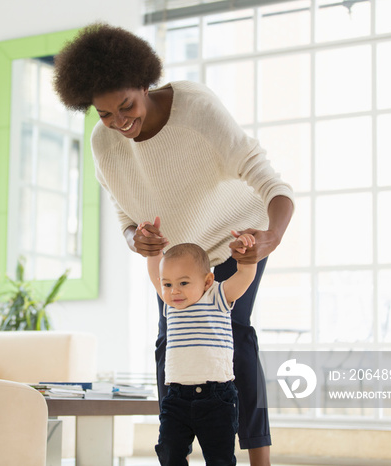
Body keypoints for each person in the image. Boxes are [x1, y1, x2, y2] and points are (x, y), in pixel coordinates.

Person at [53, 22, 294, 466]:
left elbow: (272, 184)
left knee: (233, 339)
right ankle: (175, 451)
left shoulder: (196, 109)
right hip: (177, 260)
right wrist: (136, 238)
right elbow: (125, 217)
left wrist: (270, 238)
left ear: (144, 83)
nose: (119, 122)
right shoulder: (103, 144)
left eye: (126, 106)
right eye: (105, 114)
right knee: (171, 346)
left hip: (236, 244)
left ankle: (258, 457)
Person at [140, 217, 256, 466]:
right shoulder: (171, 303)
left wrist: (247, 254)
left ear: (206, 281)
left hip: (217, 397)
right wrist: (153, 250)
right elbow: (154, 272)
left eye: (183, 283)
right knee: (169, 453)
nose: (174, 291)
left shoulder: (217, 296)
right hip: (176, 397)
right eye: (168, 284)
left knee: (220, 458)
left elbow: (245, 275)